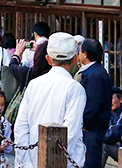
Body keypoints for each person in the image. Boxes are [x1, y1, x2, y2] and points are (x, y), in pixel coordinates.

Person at [14, 32, 86, 168]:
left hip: (32, 157)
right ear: (75, 59)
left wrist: (27, 162)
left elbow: (20, 127)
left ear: (48, 59)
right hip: (63, 161)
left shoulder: (34, 84)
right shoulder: (75, 88)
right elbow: (71, 132)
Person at [77, 38, 112, 168]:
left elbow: (93, 106)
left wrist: (82, 123)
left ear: (85, 54)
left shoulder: (95, 75)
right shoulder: (93, 71)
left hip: (92, 130)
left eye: (79, 51)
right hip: (91, 129)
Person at [102, 87, 122, 165]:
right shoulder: (111, 112)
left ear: (121, 100)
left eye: (112, 98)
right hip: (119, 147)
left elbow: (113, 134)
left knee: (104, 146)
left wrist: (98, 137)